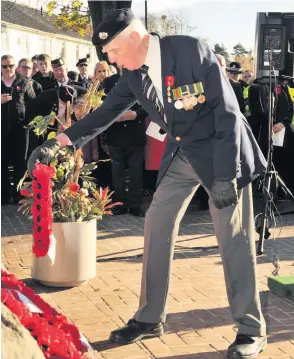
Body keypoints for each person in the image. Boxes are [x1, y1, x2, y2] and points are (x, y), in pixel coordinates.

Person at [28, 9, 267, 359]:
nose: (109, 59)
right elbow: (104, 114)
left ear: (136, 38)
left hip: (220, 154)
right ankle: (149, 318)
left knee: (233, 239)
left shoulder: (189, 51)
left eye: (112, 50)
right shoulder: (132, 75)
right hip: (183, 154)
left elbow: (227, 112)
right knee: (156, 226)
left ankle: (251, 330)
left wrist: (227, 176)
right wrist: (58, 143)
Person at [103, 73, 147, 216]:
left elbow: (150, 105)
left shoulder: (141, 81)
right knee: (117, 174)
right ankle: (119, 204)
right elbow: (103, 105)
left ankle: (135, 205)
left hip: (135, 135)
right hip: (115, 135)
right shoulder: (110, 82)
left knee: (136, 173)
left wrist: (136, 114)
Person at [1, 54, 36, 204]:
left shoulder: (24, 82)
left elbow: (33, 104)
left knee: (20, 162)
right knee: (2, 162)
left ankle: (19, 195)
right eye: (4, 66)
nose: (8, 69)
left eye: (11, 66)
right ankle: (3, 196)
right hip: (1, 130)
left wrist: (28, 124)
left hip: (20, 130)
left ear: (16, 67)